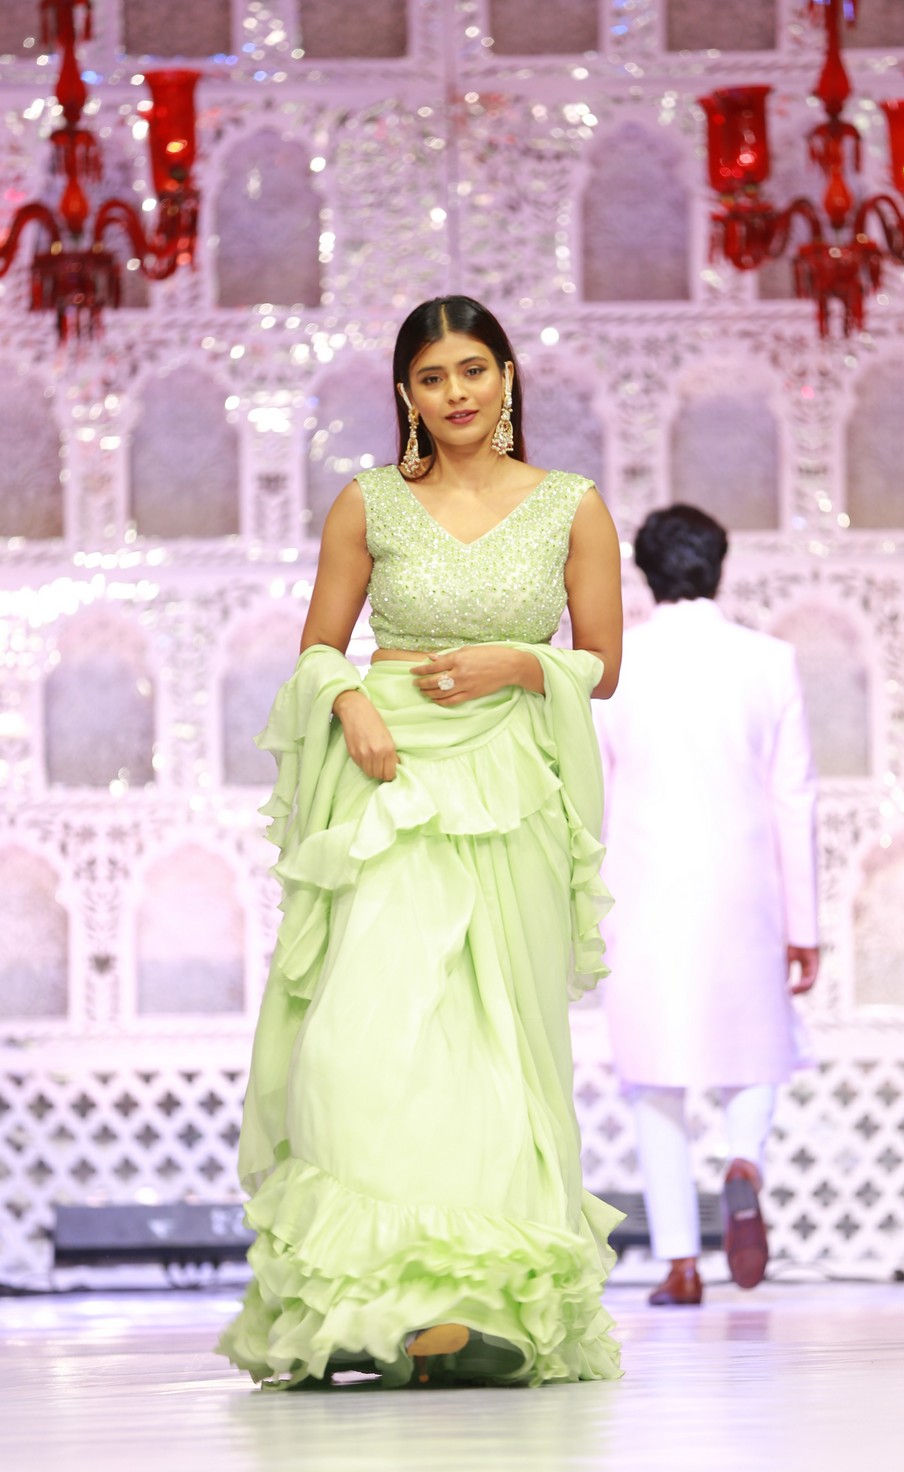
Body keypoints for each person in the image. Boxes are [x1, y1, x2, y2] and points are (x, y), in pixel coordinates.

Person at [218, 295, 624, 1386]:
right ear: (406, 393)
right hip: (389, 782)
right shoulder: (370, 504)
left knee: (497, 1047)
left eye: (473, 370)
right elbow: (318, 647)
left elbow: (600, 663)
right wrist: (349, 701)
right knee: (361, 1037)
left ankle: (475, 1312)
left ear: (506, 377)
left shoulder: (571, 507)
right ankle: (362, 1301)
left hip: (510, 786)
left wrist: (518, 663)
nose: (456, 393)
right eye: (433, 377)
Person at [598, 504, 818, 1306]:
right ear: (718, 567)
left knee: (652, 1079)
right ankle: (744, 1160)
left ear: (644, 574)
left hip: (643, 890)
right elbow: (794, 798)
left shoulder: (611, 667)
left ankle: (681, 1266)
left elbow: (592, 792)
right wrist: (805, 928)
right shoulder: (770, 662)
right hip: (745, 887)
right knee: (756, 1050)